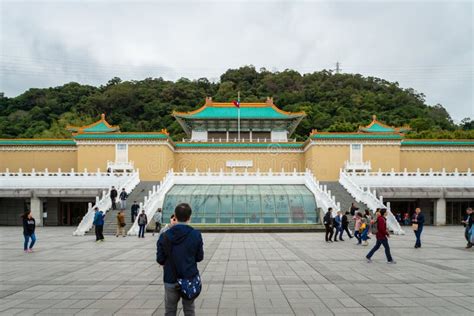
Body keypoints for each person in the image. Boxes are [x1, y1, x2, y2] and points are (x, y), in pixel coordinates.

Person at [156, 203, 204, 316]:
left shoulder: (165, 236)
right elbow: (199, 257)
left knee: (170, 311)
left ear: (175, 216)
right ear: (189, 217)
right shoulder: (195, 234)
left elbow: (160, 259)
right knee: (189, 310)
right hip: (189, 279)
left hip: (170, 278)